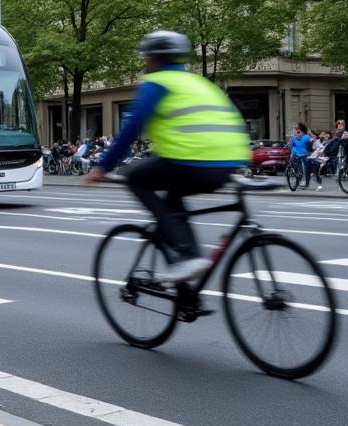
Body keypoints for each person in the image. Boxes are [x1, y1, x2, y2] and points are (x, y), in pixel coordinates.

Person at [84, 31, 249, 284]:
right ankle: (188, 277)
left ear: (154, 58)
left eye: (146, 57)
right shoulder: (202, 83)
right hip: (227, 164)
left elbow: (132, 127)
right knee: (174, 198)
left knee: (135, 178)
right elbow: (235, 121)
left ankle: (187, 254)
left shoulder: (158, 83)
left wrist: (102, 167)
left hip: (188, 160)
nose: (145, 62)